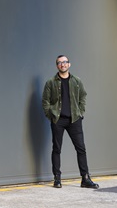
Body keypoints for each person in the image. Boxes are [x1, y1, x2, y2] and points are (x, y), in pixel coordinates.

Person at [42, 55, 99, 189]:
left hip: (74, 119)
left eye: (65, 62)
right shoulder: (51, 82)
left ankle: (85, 179)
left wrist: (80, 112)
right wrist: (51, 115)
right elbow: (45, 101)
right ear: (57, 66)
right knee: (57, 149)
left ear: (69, 64)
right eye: (60, 63)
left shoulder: (76, 81)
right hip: (58, 120)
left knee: (81, 149)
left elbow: (83, 96)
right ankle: (57, 179)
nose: (62, 64)